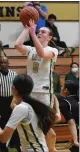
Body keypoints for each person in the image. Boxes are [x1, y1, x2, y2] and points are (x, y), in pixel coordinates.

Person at [14, 19, 59, 152]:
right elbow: (17, 44)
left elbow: (42, 54)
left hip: (44, 93)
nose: (40, 33)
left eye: (43, 32)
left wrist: (33, 34)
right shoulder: (30, 50)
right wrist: (27, 29)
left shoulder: (53, 50)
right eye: (39, 31)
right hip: (30, 92)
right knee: (32, 124)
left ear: (49, 37)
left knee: (44, 126)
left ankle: (51, 149)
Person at [0, 74, 56, 152]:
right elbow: (12, 105)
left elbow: (3, 138)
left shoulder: (21, 108)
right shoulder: (30, 106)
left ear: (13, 89)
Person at [0, 56, 21, 152]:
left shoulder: (14, 74)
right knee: (1, 124)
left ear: (8, 64)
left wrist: (16, 102)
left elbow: (17, 90)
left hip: (11, 100)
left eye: (4, 62)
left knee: (13, 123)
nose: (2, 64)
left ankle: (14, 144)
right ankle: (3, 147)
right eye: (1, 62)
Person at [56, 80, 79, 152]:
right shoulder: (76, 100)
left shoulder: (65, 103)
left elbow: (71, 122)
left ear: (65, 90)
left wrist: (75, 140)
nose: (61, 88)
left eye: (62, 86)